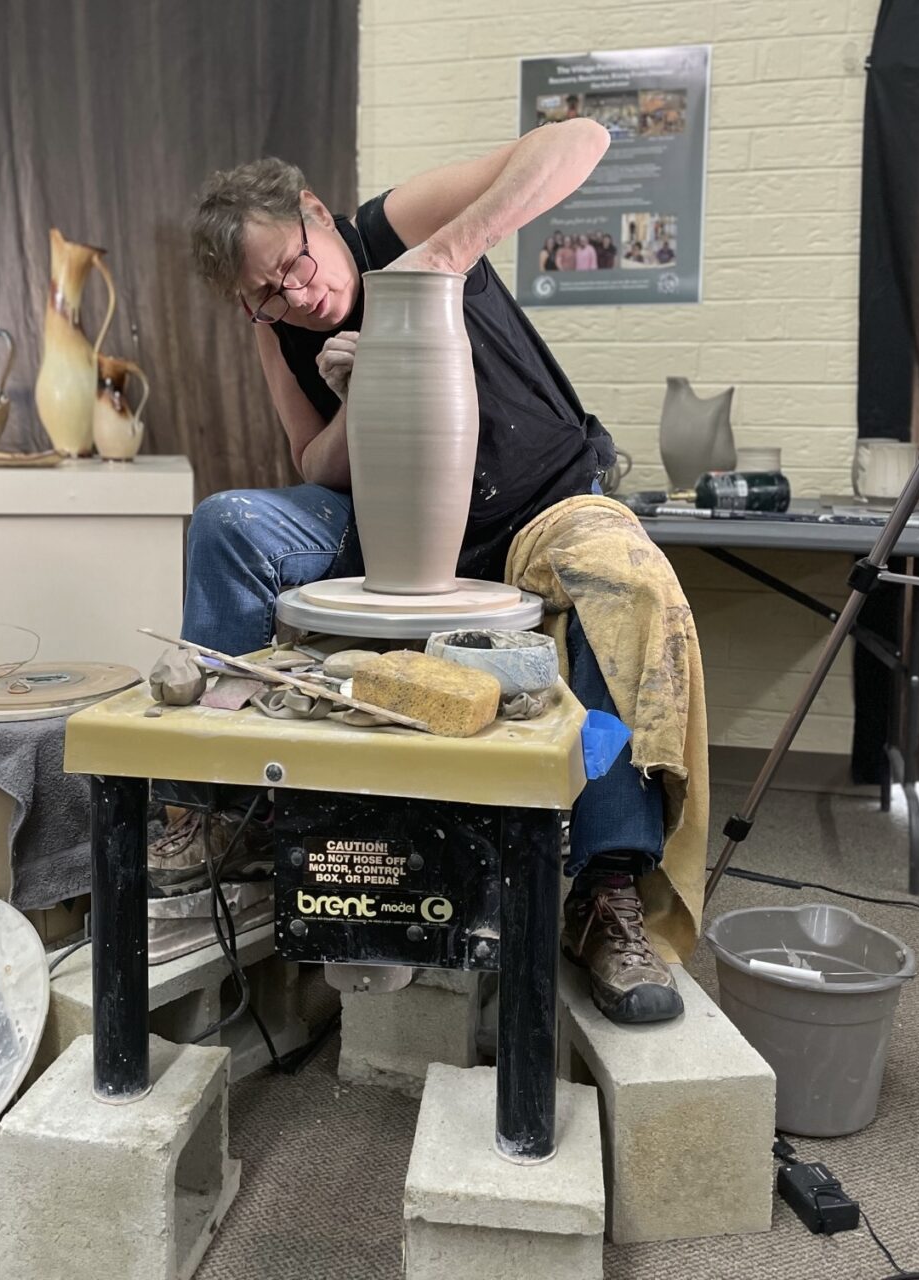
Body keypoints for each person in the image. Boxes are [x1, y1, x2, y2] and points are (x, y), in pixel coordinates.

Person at [184, 119, 682, 1024]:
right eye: (266, 298)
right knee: (230, 525)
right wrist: (349, 397)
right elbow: (316, 463)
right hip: (402, 533)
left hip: (537, 507)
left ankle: (606, 890)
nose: (295, 297)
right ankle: (227, 818)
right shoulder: (280, 326)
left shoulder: (391, 227)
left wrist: (442, 258)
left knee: (626, 575)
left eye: (295, 268)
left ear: (315, 214)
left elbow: (582, 138)